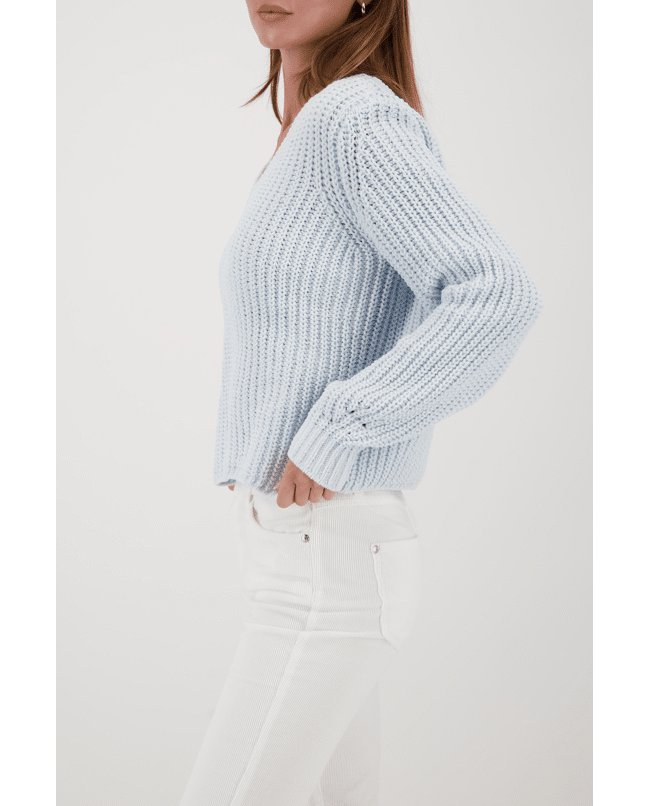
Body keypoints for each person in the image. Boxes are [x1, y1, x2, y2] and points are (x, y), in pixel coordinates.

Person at [179, 1, 543, 804]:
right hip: (299, 551)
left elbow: (495, 292)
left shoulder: (353, 119)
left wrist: (345, 426)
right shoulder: (309, 129)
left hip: (329, 559)